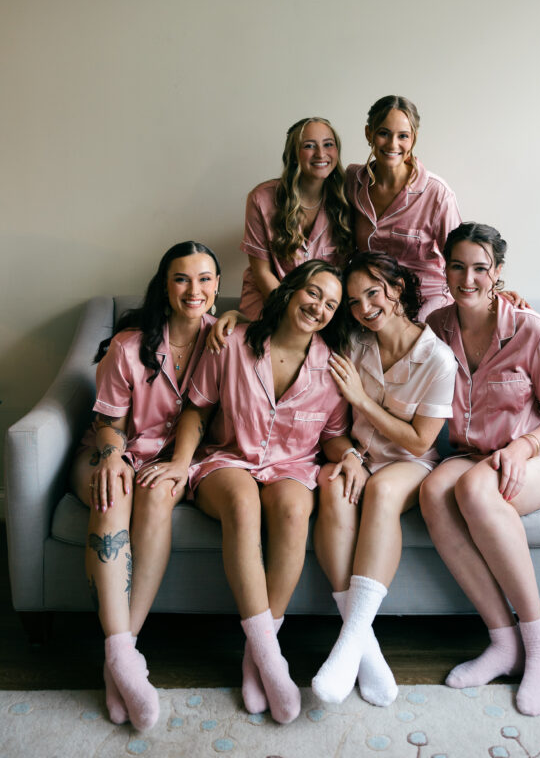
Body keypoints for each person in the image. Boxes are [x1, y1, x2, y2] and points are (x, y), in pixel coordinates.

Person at [168, 260, 352, 724]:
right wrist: (177, 462)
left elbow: (330, 437)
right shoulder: (232, 342)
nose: (319, 307)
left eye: (331, 303)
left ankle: (256, 656)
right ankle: (274, 663)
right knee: (243, 503)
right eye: (313, 293)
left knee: (293, 510)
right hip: (227, 459)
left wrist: (352, 456)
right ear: (290, 291)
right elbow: (196, 409)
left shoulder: (331, 366)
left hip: (291, 467)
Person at [419, 223, 540, 717]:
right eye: (457, 266)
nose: (467, 278)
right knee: (433, 491)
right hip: (473, 454)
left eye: (480, 268)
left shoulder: (531, 329)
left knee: (474, 490)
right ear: (443, 268)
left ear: (497, 273)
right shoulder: (435, 327)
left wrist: (522, 448)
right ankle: (502, 641)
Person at [70, 241, 221, 731]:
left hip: (175, 462)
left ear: (218, 286)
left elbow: (203, 414)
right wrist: (112, 456)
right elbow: (107, 421)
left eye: (204, 278)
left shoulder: (226, 341)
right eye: (182, 278)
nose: (193, 289)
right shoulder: (129, 345)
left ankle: (121, 658)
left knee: (157, 496)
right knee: (110, 492)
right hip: (116, 444)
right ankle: (124, 654)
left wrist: (178, 465)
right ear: (165, 286)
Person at [311, 251, 456, 707]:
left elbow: (418, 442)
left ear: (396, 290)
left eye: (372, 293)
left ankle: (351, 639)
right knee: (333, 487)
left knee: (382, 490)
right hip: (358, 456)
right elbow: (332, 427)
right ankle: (364, 647)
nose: (363, 308)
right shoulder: (354, 342)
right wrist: (351, 455)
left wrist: (363, 399)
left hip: (410, 464)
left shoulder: (438, 360)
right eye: (353, 301)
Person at [345, 95, 461, 318]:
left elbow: (461, 257)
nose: (392, 144)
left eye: (403, 136)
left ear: (413, 138)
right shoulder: (351, 181)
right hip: (372, 297)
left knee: (415, 340)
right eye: (383, 133)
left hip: (426, 299)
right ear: (369, 133)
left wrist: (494, 294)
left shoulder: (437, 193)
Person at [236, 116, 353, 319]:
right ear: (293, 153)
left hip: (322, 311)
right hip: (269, 303)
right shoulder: (261, 199)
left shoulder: (347, 198)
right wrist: (292, 318)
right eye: (309, 146)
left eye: (328, 144)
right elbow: (262, 272)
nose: (321, 153)